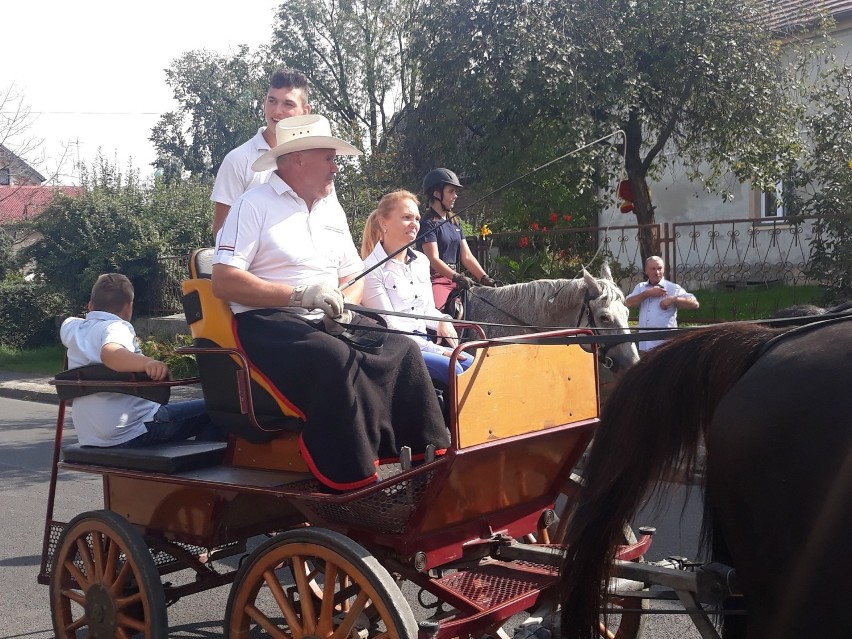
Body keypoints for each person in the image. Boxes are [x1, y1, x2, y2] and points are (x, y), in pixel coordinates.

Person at [212, 115, 449, 492]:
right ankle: (352, 482)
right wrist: (299, 295)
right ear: (298, 159)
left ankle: (426, 468)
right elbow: (223, 280)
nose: (336, 167)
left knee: (403, 349)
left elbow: (353, 278)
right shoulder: (252, 205)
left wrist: (342, 302)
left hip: (328, 319)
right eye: (329, 158)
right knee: (335, 360)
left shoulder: (331, 211)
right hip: (269, 323)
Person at [60, 273, 222, 447]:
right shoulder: (117, 327)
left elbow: (77, 323)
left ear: (90, 305)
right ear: (129, 307)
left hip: (92, 437)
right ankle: (204, 463)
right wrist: (148, 363)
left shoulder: (72, 327)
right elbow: (110, 353)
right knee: (220, 410)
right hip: (135, 431)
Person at [360, 190, 474, 383]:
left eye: (417, 218)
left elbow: (427, 309)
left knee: (475, 365)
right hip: (396, 349)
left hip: (423, 342)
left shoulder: (421, 261)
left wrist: (443, 320)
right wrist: (439, 350)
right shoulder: (370, 269)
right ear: (383, 222)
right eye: (406, 217)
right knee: (454, 369)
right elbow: (390, 325)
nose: (415, 224)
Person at [210, 68, 312, 238]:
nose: (277, 111)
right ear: (264, 102)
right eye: (272, 101)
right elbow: (221, 233)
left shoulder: (315, 162)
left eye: (288, 104)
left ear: (306, 111)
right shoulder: (238, 160)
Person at [415, 168, 496, 316]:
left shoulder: (454, 223)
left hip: (456, 279)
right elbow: (433, 259)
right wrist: (456, 276)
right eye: (451, 191)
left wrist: (484, 278)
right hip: (436, 281)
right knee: (436, 316)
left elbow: (467, 256)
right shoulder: (427, 224)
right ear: (437, 193)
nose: (455, 196)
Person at [625, 256, 699, 352]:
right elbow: (627, 303)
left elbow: (695, 304)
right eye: (653, 269)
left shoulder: (672, 288)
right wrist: (648, 293)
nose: (657, 272)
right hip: (644, 345)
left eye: (659, 268)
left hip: (665, 346)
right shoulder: (641, 287)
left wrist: (673, 299)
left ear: (664, 269)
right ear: (646, 271)